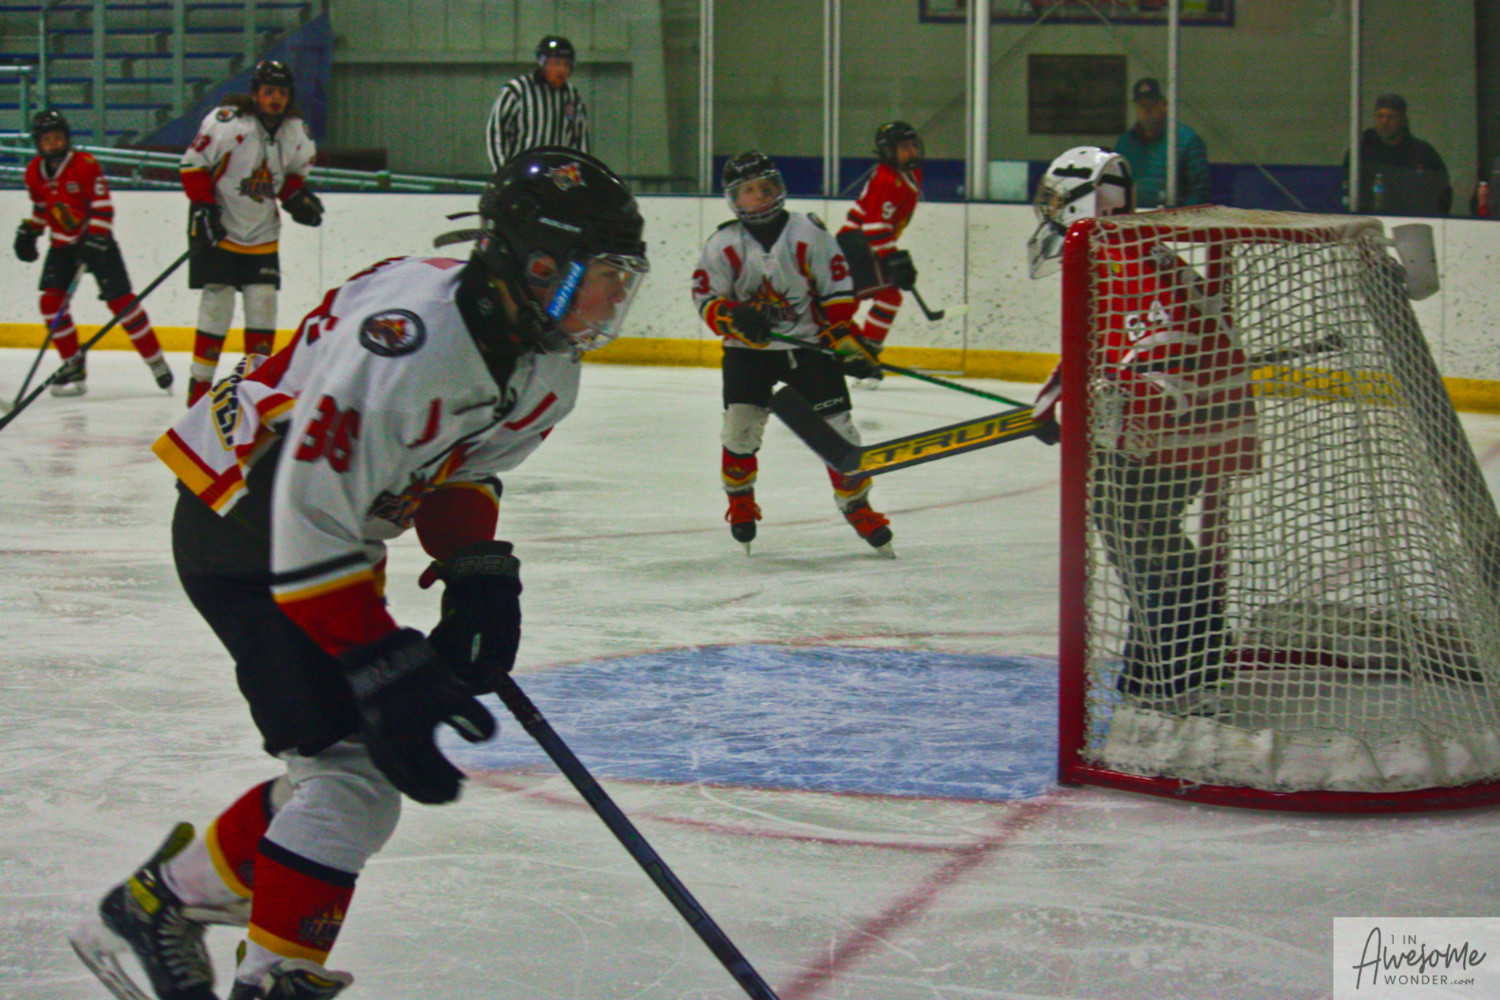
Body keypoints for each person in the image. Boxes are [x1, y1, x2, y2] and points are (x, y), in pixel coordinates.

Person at [68, 147, 649, 1000]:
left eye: (620, 279)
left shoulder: (546, 362)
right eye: (598, 277)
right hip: (243, 510)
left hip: (328, 530)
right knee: (350, 779)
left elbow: (461, 467)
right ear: (535, 267)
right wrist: (380, 657)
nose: (611, 300)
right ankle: (269, 974)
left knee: (335, 773)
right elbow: (303, 517)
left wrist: (475, 572)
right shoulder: (409, 344)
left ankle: (159, 902)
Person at [1027, 146, 1259, 714]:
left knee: (1137, 537)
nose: (1049, 210)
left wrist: (1123, 403)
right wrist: (1055, 397)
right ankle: (1188, 663)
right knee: (1146, 538)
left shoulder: (1129, 259)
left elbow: (1169, 356)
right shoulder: (1114, 249)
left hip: (1183, 429)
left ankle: (1170, 680)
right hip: (1189, 424)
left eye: (1058, 199)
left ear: (1088, 203)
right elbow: (1100, 342)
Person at [692, 151, 894, 557]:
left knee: (840, 433)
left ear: (779, 188)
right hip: (748, 353)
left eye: (766, 187)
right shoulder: (723, 244)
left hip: (808, 348)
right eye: (749, 191)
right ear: (734, 198)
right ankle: (740, 498)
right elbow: (706, 297)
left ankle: (857, 505)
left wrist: (846, 344)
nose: (759, 196)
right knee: (739, 429)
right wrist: (733, 317)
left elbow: (835, 294)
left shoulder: (808, 233)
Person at [180, 58, 322, 407]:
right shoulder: (228, 122)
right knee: (217, 304)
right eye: (269, 91)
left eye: (282, 93)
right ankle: (200, 388)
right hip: (219, 229)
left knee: (263, 304)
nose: (276, 99)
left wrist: (296, 199)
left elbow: (290, 178)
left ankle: (255, 389)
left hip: (262, 233)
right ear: (256, 93)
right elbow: (192, 165)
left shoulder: (296, 132)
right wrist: (204, 206)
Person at [13, 109, 173, 397]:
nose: (53, 144)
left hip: (98, 243)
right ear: (38, 143)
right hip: (61, 247)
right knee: (50, 303)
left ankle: (155, 360)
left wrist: (96, 240)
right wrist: (31, 232)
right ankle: (73, 365)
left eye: (57, 137)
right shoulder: (34, 171)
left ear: (67, 138)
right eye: (47, 139)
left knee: (122, 304)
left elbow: (102, 206)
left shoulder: (84, 165)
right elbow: (42, 207)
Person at [837, 121, 924, 388]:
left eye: (912, 146)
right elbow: (874, 227)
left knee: (858, 304)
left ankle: (860, 359)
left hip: (864, 243)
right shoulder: (888, 180)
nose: (911, 151)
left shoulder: (910, 174)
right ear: (888, 151)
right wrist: (894, 258)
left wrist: (893, 258)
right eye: (904, 147)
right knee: (878, 300)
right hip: (858, 243)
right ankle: (862, 361)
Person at [485, 35, 590, 171]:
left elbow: (580, 141)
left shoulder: (572, 97)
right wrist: (503, 170)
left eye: (566, 64)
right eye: (556, 63)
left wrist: (579, 172)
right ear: (543, 63)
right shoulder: (517, 91)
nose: (562, 70)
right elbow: (495, 132)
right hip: (520, 174)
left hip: (558, 177)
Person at [1343, 93, 1452, 215]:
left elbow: (1442, 194)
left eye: (1391, 117)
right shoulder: (1360, 153)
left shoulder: (1423, 153)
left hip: (1414, 220)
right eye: (1380, 116)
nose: (1384, 122)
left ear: (1403, 120)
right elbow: (1344, 190)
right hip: (1369, 220)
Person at [1113, 77, 1210, 209]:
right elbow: (1115, 186)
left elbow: (1199, 192)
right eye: (1141, 105)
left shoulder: (1187, 141)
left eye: (1151, 105)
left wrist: (1179, 217)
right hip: (1133, 217)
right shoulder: (1125, 143)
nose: (1146, 111)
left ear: (1163, 105)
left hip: (1172, 219)